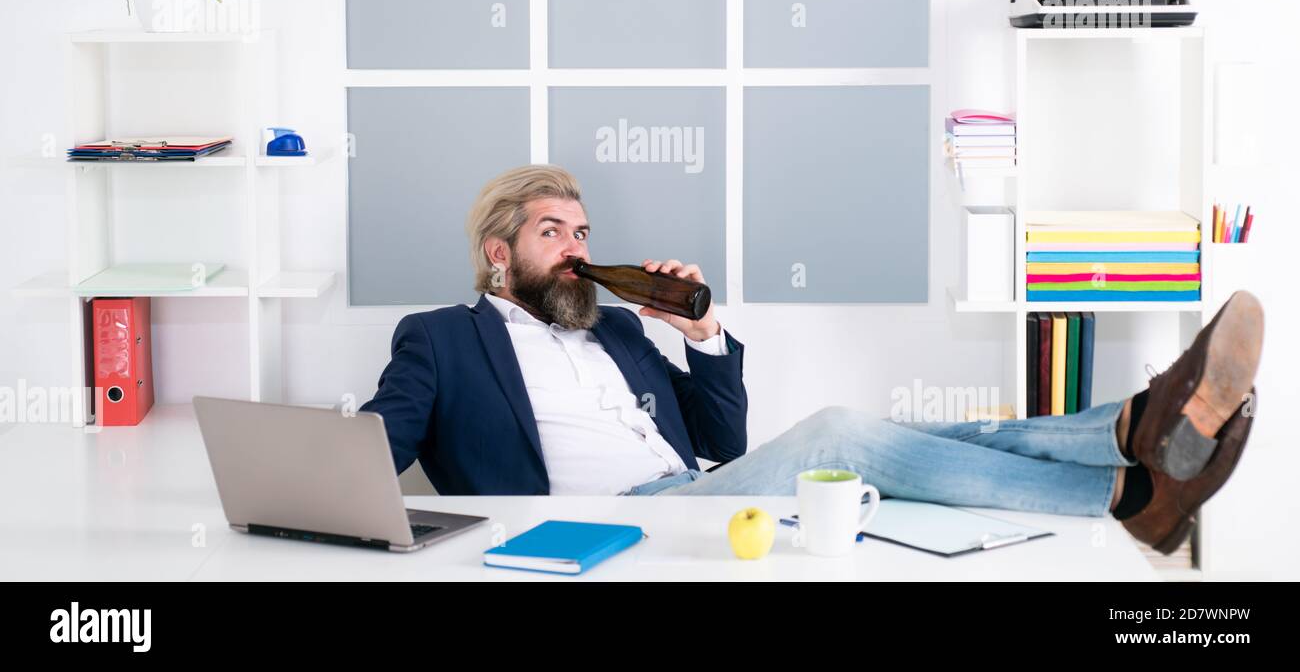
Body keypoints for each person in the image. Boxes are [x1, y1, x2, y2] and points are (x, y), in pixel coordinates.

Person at [360, 164, 1263, 554]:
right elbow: (369, 453)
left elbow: (723, 441)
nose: (576, 247)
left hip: (691, 495)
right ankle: (1136, 440)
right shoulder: (441, 339)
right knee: (839, 433)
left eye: (584, 232)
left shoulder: (619, 330)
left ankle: (1134, 470)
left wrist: (701, 334)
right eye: (553, 231)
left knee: (908, 436)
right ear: (498, 253)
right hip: (609, 525)